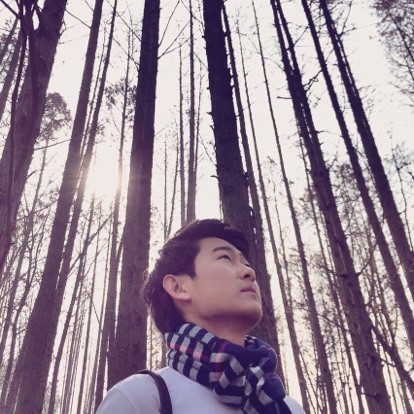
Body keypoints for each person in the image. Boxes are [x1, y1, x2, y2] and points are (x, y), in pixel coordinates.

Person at [96, 219, 306, 414]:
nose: (249, 273)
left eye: (247, 264)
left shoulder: (288, 406)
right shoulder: (139, 398)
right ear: (178, 287)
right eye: (225, 258)